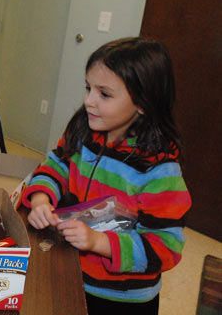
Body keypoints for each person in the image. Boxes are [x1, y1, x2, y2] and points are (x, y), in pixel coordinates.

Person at [21, 37, 191, 314]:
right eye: (88, 88)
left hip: (121, 299)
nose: (88, 101)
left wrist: (98, 242)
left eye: (104, 94)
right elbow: (57, 165)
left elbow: (166, 247)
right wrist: (41, 198)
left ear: (143, 102)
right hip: (71, 272)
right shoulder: (83, 130)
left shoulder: (160, 172)